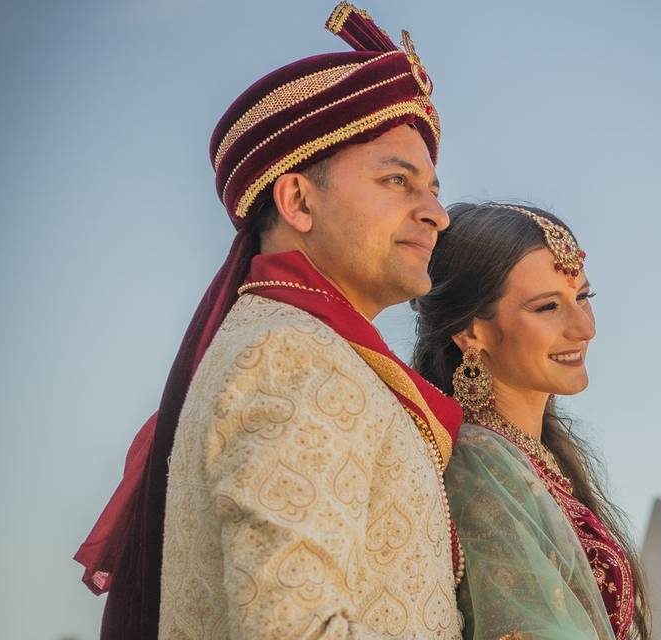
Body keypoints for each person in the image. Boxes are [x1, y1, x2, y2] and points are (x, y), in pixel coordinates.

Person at [74, 3, 464, 638]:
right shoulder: (290, 355)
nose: (436, 214)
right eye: (399, 181)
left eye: (434, 188)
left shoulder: (305, 347)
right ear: (298, 200)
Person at [412, 202, 651, 640]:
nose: (584, 328)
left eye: (583, 298)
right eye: (547, 307)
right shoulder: (477, 463)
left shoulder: (533, 457)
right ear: (470, 331)